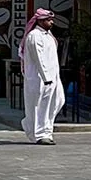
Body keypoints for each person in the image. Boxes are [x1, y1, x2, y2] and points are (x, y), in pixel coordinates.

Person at [20, 8, 64, 145]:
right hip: (40, 79)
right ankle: (39, 134)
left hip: (53, 77)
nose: (51, 22)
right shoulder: (34, 36)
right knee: (39, 106)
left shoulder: (48, 35)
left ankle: (46, 131)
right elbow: (38, 58)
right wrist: (46, 78)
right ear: (40, 21)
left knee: (58, 101)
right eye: (49, 20)